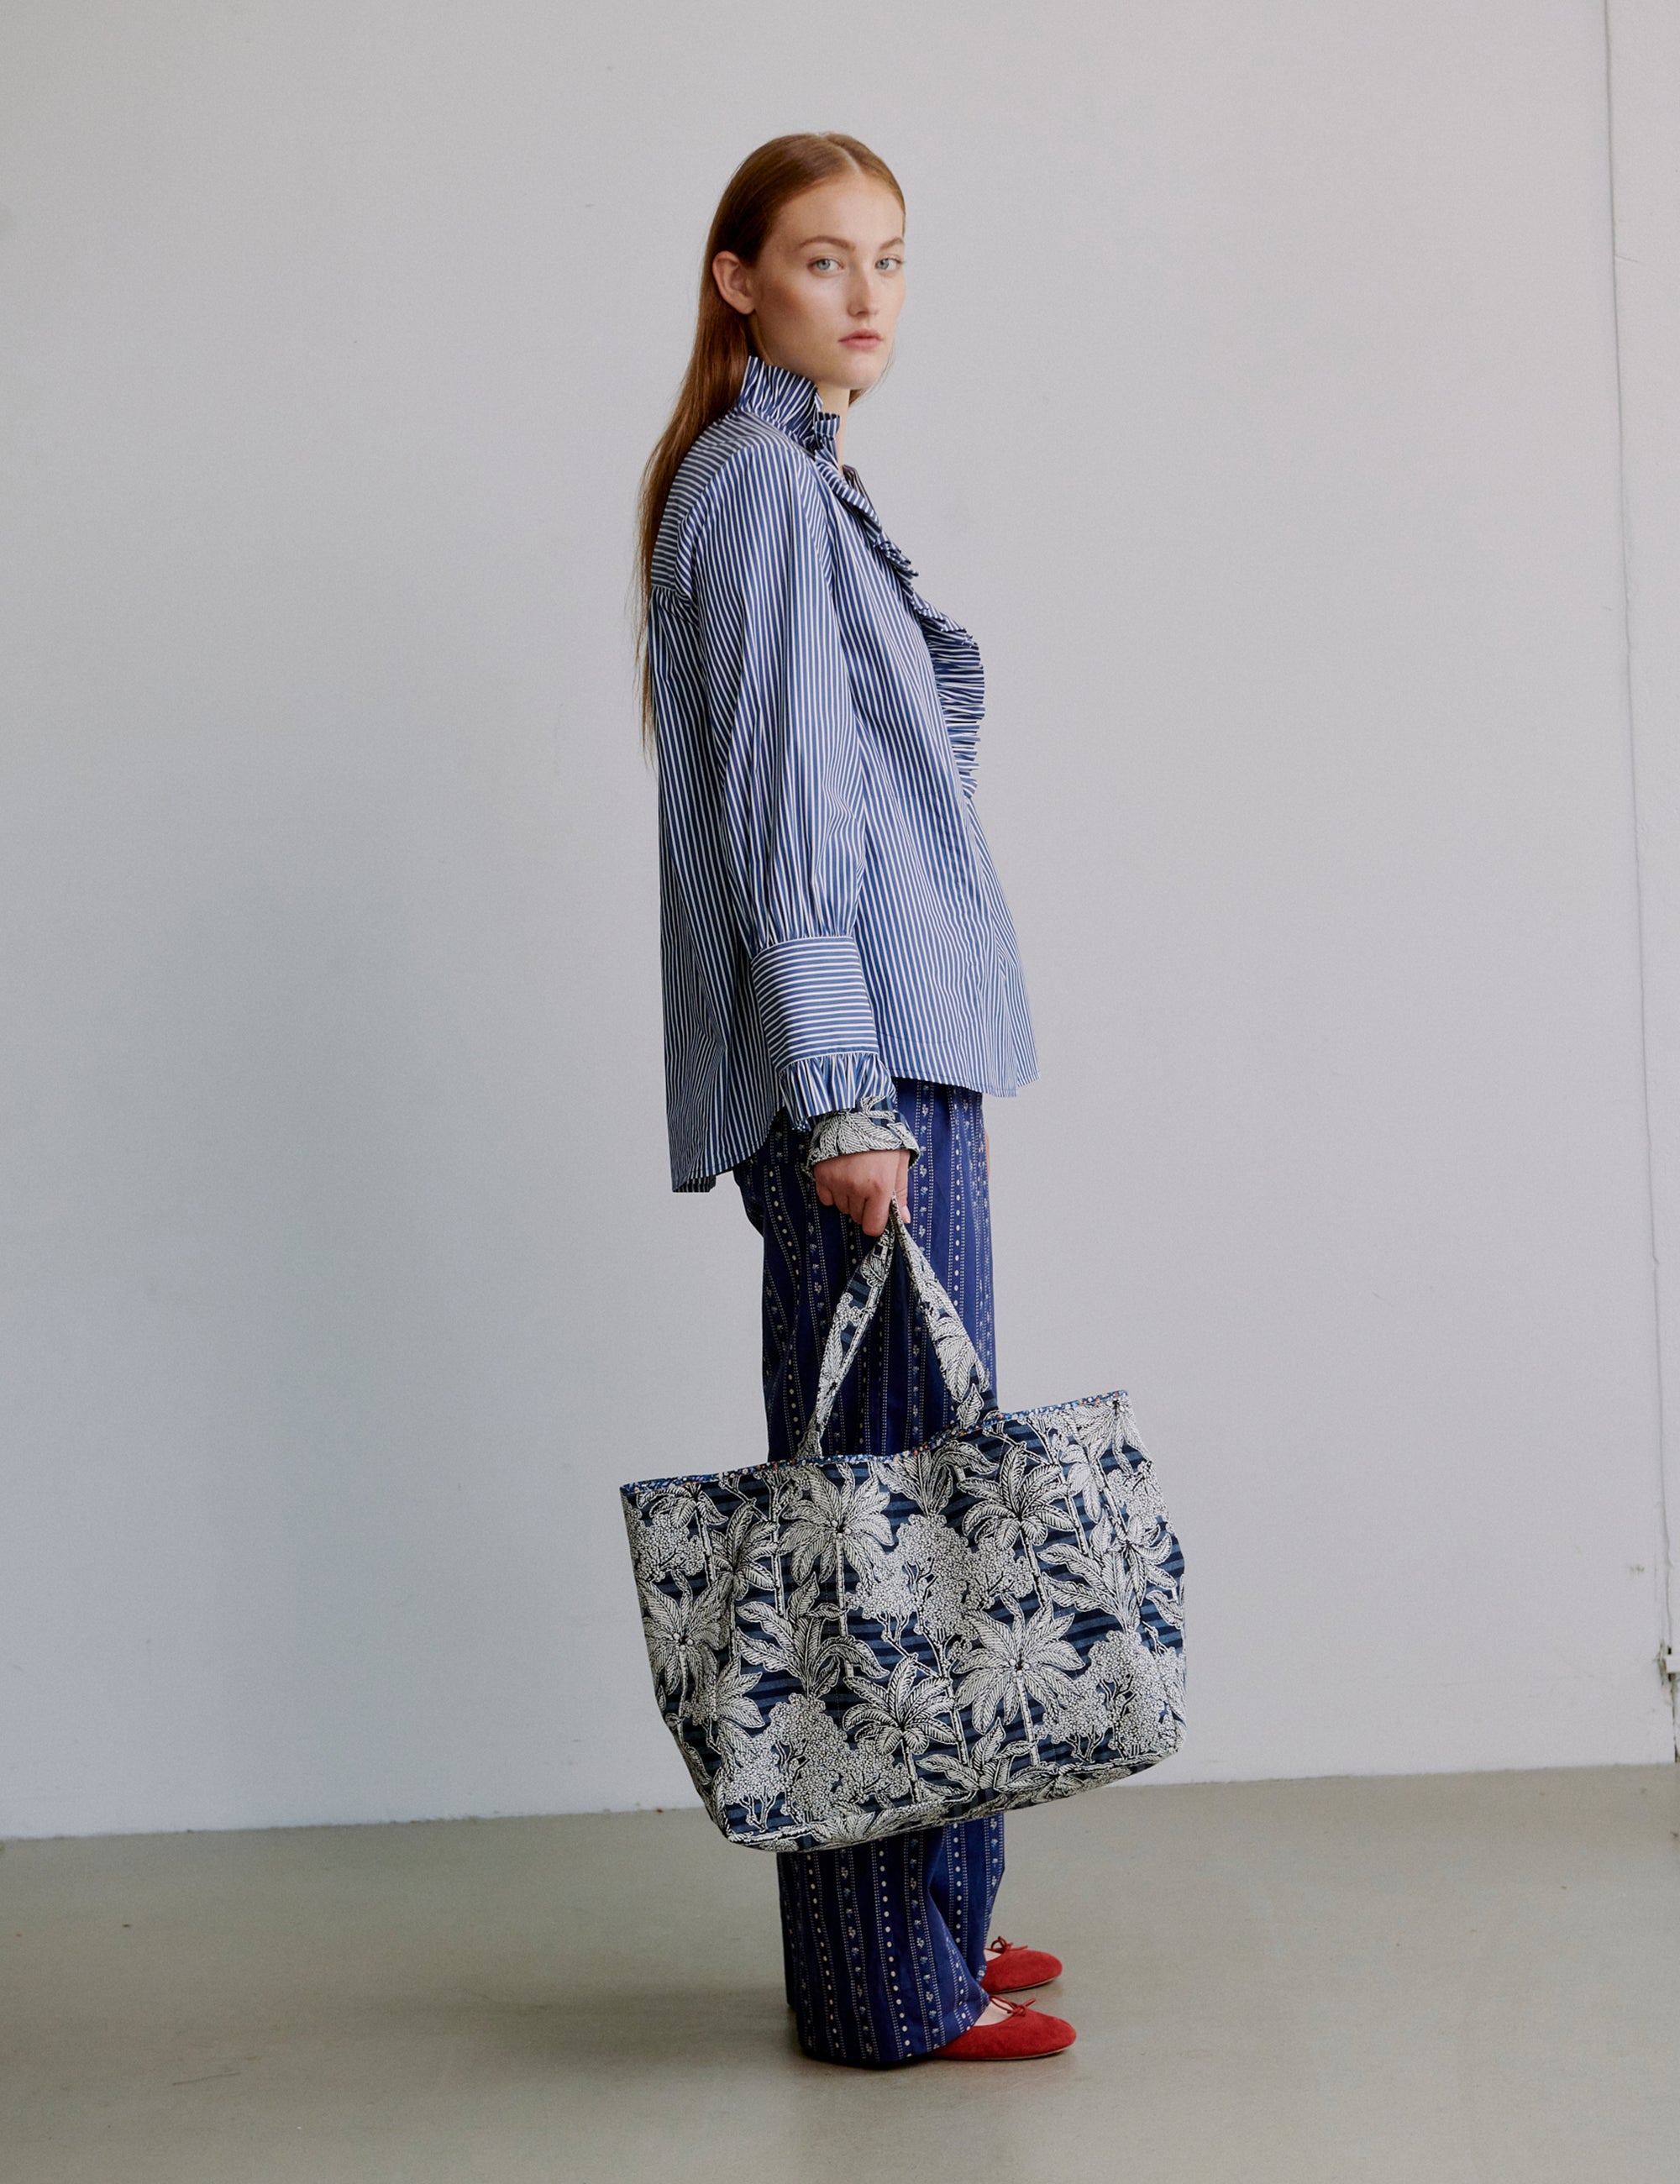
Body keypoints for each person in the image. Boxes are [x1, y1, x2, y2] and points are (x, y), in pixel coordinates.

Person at [634, 131, 1074, 2067]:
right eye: (823, 259)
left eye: (890, 257)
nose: (867, 294)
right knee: (877, 1530)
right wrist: (840, 1101)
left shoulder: (799, 476)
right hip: (867, 1077)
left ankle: (936, 1926)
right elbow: (786, 830)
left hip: (896, 1056)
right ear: (739, 278)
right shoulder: (754, 490)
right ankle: (886, 1985)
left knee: (914, 1504)